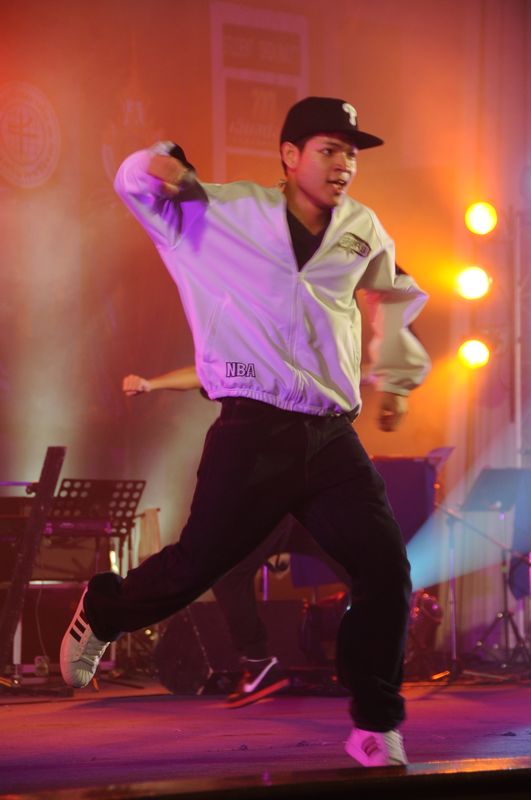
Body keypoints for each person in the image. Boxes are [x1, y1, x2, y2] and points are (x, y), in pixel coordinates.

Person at [61, 96, 431, 767]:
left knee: (385, 570)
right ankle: (104, 609)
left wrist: (398, 381)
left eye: (351, 153)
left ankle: (376, 725)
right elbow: (135, 184)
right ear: (289, 156)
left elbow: (394, 292)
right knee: (196, 565)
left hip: (330, 435)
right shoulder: (220, 211)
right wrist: (160, 162)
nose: (344, 164)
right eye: (329, 149)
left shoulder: (362, 227)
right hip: (253, 428)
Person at [122, 367, 351, 707]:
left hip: (285, 494)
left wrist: (151, 382)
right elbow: (203, 372)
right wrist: (151, 382)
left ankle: (260, 663)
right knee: (359, 568)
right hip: (303, 493)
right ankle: (374, 655)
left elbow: (206, 372)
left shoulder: (257, 365)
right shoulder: (262, 363)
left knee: (230, 576)